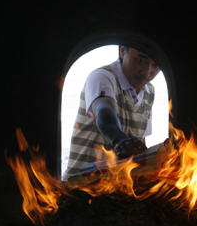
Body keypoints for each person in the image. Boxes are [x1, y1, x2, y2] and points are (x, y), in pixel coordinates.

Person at [62, 44, 161, 181]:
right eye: (141, 60)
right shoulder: (103, 77)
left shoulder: (149, 91)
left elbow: (140, 141)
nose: (146, 72)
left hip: (115, 192)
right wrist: (119, 140)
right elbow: (104, 111)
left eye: (155, 66)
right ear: (122, 51)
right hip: (80, 188)